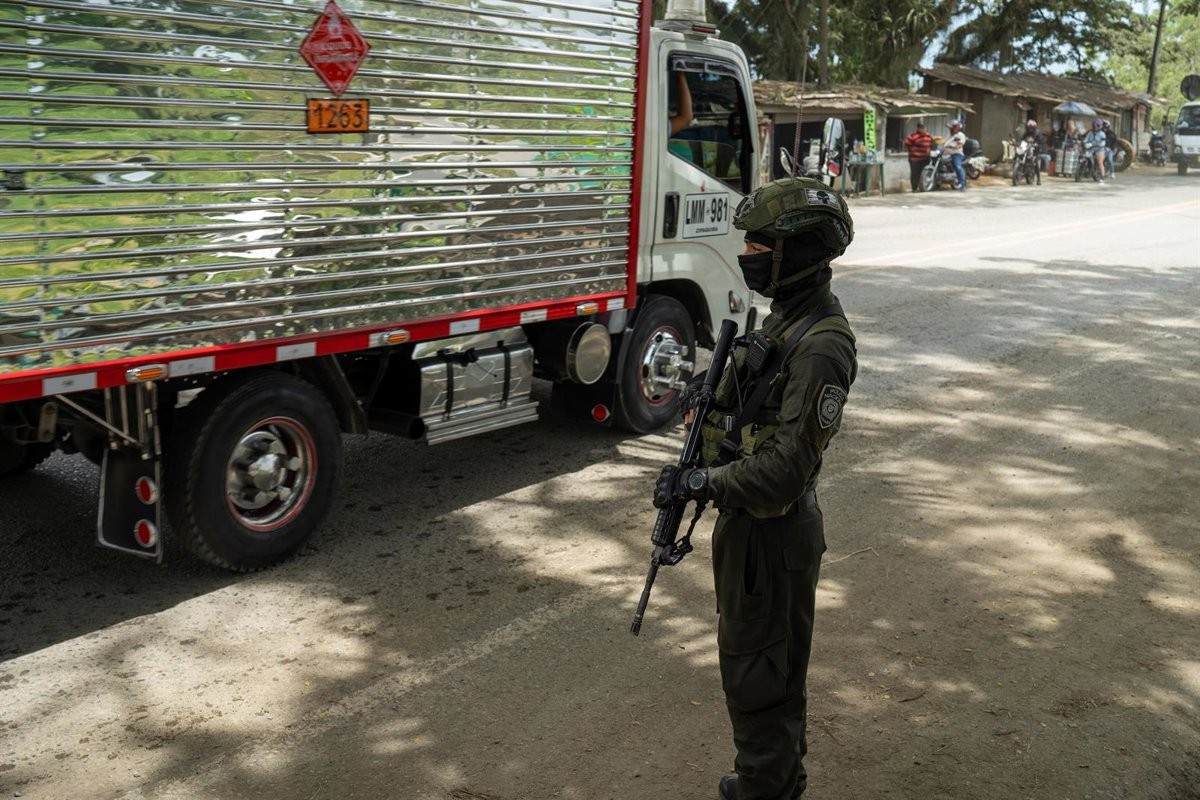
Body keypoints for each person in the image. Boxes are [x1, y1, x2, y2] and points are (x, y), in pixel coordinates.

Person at [653, 176, 858, 800]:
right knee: (754, 659)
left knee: (760, 670)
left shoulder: (821, 345)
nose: (747, 255)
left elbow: (783, 471)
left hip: (774, 532)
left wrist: (701, 480)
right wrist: (705, 403)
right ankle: (773, 774)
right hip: (750, 530)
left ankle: (767, 786)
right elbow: (748, 402)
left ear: (797, 253)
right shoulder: (785, 320)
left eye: (760, 244)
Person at [903, 121, 933, 192]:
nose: (923, 129)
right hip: (914, 159)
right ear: (918, 128)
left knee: (924, 173)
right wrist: (913, 151)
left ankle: (923, 187)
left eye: (924, 128)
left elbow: (931, 144)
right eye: (921, 128)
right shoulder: (912, 136)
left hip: (925, 158)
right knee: (915, 174)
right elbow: (907, 144)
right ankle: (914, 188)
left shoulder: (928, 136)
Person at [942, 119, 967, 190]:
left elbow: (960, 145)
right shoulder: (949, 135)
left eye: (951, 127)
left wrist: (956, 147)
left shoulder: (961, 135)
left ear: (956, 127)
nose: (950, 129)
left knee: (958, 167)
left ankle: (963, 185)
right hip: (945, 154)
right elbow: (944, 143)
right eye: (950, 128)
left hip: (956, 154)